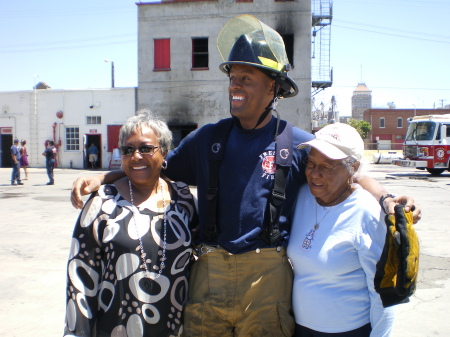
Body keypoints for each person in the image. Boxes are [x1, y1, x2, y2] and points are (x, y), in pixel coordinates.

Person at [70, 15, 420, 337]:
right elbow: (154, 168)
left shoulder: (295, 144)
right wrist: (107, 178)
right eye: (232, 78)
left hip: (268, 278)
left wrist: (387, 199)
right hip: (209, 271)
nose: (234, 86)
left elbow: (346, 174)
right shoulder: (208, 139)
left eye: (246, 78)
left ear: (273, 88)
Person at [63, 114, 197, 336]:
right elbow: (80, 278)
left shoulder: (183, 198)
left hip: (175, 328)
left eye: (145, 148)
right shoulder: (103, 202)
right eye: (127, 150)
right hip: (117, 328)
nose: (135, 156)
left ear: (164, 152)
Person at [288, 123, 395, 336]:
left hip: (350, 330)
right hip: (300, 329)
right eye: (311, 163)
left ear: (353, 168)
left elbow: (382, 291)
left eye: (326, 167)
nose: (315, 174)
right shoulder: (302, 196)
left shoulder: (366, 212)